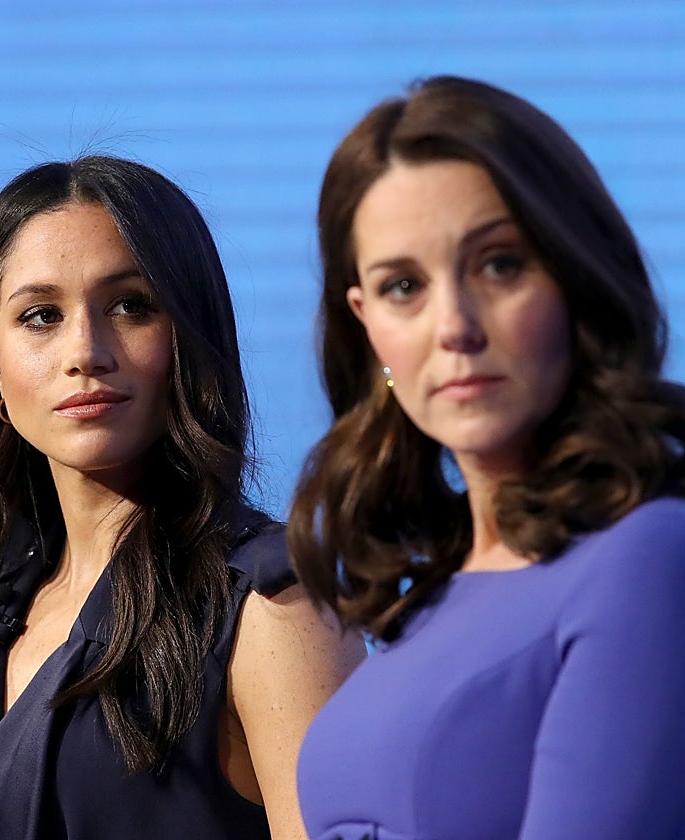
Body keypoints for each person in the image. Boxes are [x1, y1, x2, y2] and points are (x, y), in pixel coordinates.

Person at [0, 155, 364, 839]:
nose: (84, 350)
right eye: (40, 316)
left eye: (130, 306)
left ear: (190, 334)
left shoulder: (274, 602)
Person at [289, 75, 685, 839]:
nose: (455, 327)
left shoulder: (646, 557)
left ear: (574, 274)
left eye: (499, 264)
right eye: (404, 285)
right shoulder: (425, 595)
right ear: (366, 325)